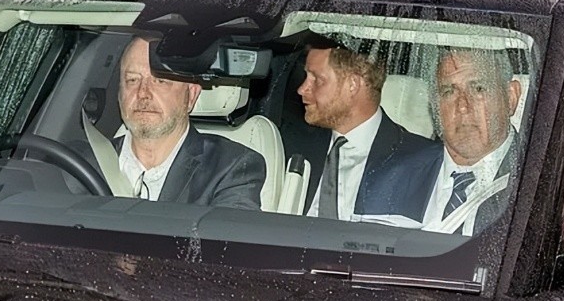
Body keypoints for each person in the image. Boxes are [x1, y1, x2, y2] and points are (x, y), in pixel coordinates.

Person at [86, 36, 265, 210]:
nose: (143, 93)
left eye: (160, 81)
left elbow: (227, 230)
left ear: (191, 96)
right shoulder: (85, 163)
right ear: (119, 93)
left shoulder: (231, 167)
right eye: (132, 80)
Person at [371, 47, 523, 235]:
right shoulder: (389, 178)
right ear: (434, 104)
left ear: (511, 97)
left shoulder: (538, 183)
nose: (463, 106)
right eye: (449, 91)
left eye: (478, 88)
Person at [297, 45, 437, 220]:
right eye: (306, 77)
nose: (302, 89)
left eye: (317, 79)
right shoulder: (290, 145)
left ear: (352, 85)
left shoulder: (423, 161)